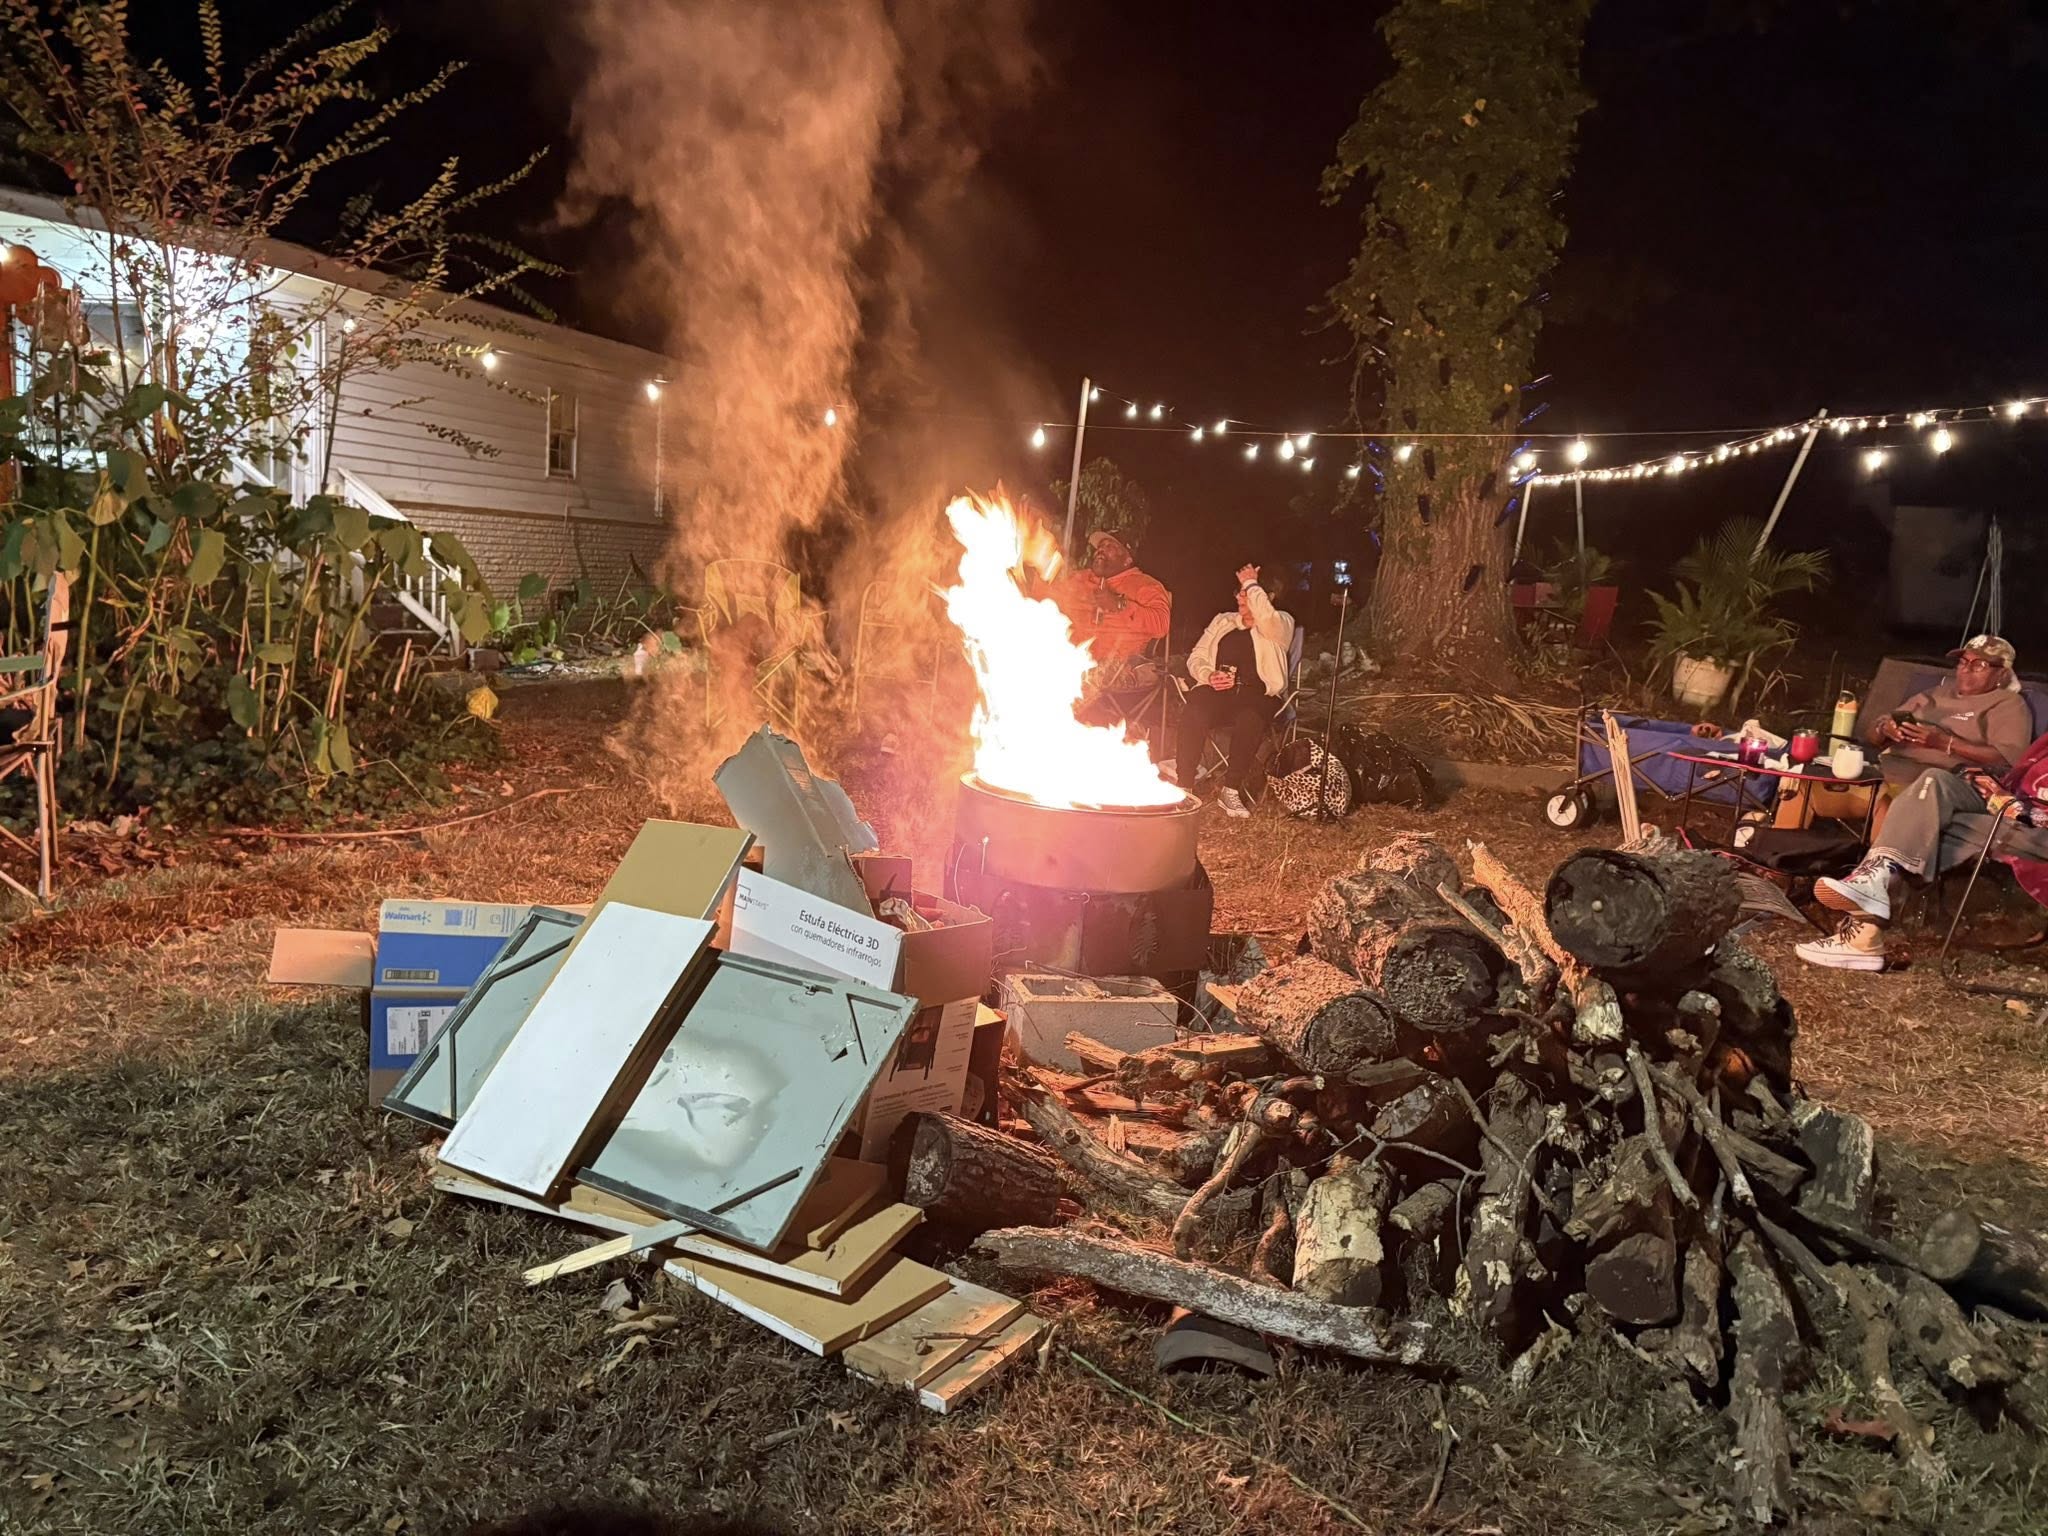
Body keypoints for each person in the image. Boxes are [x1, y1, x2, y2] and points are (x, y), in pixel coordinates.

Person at [1794, 729, 2048, 972]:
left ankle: (1865, 930)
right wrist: (1990, 784)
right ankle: (1873, 881)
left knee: (1924, 822)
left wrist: (2027, 812)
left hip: (2035, 829)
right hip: (2006, 807)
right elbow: (2020, 775)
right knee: (1934, 780)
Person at [1168, 564, 1297, 819]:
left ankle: (1231, 790)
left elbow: (1267, 618)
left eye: (1246, 593)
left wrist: (1251, 582)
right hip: (1219, 692)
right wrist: (1209, 675)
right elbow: (1197, 657)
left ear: (1266, 596)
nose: (1239, 596)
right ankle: (1184, 785)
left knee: (1251, 715)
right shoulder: (1223, 621)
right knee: (1197, 704)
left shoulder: (1280, 624)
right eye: (1238, 591)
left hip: (1258, 696)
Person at [1865, 634, 2031, 787]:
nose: (1966, 669)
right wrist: (1885, 728)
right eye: (1963, 662)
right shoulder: (1936, 692)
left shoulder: (2008, 703)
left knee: (1883, 803)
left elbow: (2007, 760)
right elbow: (1873, 735)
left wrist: (1943, 742)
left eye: (1979, 665)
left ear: (2002, 674)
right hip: (1886, 768)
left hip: (1935, 780)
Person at [1047, 530, 1171, 669]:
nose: (1100, 550)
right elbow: (1046, 602)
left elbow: (1162, 625)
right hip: (1064, 657)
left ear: (1127, 559)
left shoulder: (1145, 585)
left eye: (1110, 546)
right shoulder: (1079, 579)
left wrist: (1119, 605)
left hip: (1116, 670)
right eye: (1100, 546)